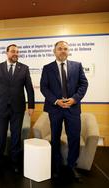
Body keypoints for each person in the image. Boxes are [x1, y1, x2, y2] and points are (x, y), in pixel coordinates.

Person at [40, 41, 88, 181]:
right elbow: (44, 87)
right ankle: (57, 167)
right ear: (54, 51)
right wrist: (56, 101)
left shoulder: (77, 66)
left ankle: (72, 166)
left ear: (68, 51)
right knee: (54, 138)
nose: (62, 51)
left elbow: (84, 84)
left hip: (72, 109)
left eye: (65, 49)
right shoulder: (47, 68)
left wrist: (74, 99)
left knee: (74, 138)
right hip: (55, 109)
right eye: (59, 49)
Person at [0, 44, 35, 173]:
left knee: (16, 135)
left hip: (18, 108)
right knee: (1, 135)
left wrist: (31, 105)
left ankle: (15, 162)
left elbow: (29, 88)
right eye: (13, 51)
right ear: (7, 53)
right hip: (1, 107)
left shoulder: (24, 68)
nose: (16, 54)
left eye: (17, 52)